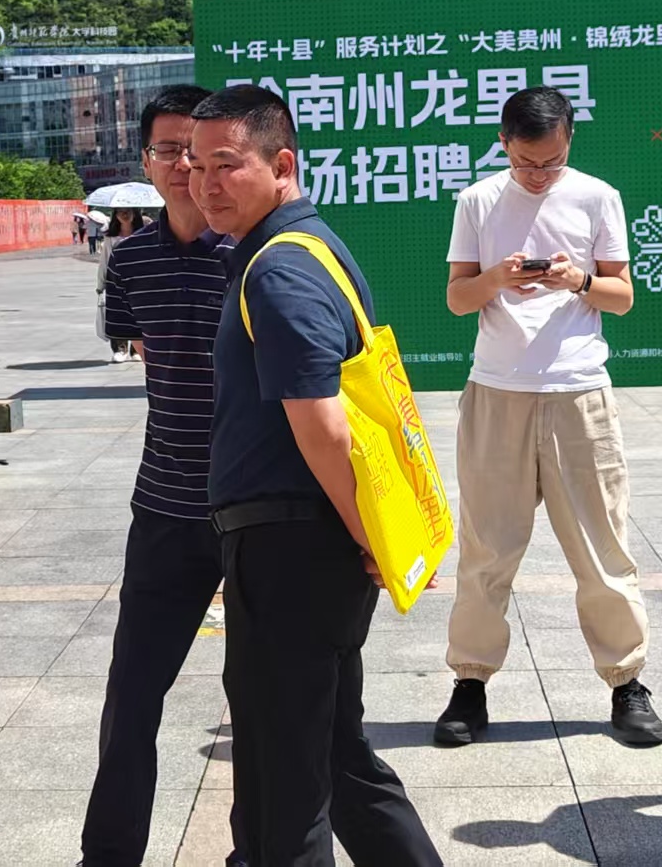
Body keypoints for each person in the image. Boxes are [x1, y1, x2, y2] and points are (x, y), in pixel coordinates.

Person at [190, 84, 439, 867]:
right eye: (196, 165)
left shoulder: (280, 271)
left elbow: (322, 425)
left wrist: (375, 539)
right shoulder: (312, 248)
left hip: (290, 553)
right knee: (332, 755)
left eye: (226, 164)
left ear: (283, 164)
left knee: (284, 790)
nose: (206, 183)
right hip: (306, 547)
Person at [435, 85, 662, 751]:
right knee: (486, 550)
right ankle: (470, 682)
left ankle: (627, 682)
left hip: (578, 392)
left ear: (569, 141)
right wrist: (498, 278)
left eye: (552, 161)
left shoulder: (597, 196)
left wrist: (578, 281)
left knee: (602, 548)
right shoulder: (478, 200)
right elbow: (457, 297)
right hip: (495, 390)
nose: (538, 175)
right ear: (503, 143)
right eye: (526, 162)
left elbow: (621, 295)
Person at [80, 85, 246, 867]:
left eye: (197, 151)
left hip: (253, 508)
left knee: (263, 699)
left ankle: (259, 850)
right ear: (145, 161)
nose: (184, 166)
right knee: (132, 693)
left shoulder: (252, 253)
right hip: (165, 508)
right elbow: (143, 349)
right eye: (169, 151)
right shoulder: (130, 259)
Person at [96, 208, 144, 361]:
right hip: (115, 281)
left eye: (128, 211)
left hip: (139, 280)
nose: (125, 215)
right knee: (118, 314)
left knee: (139, 315)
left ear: (135, 214)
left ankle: (136, 350)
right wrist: (100, 283)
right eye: (120, 212)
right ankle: (120, 348)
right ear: (115, 215)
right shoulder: (110, 237)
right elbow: (104, 260)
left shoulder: (144, 234)